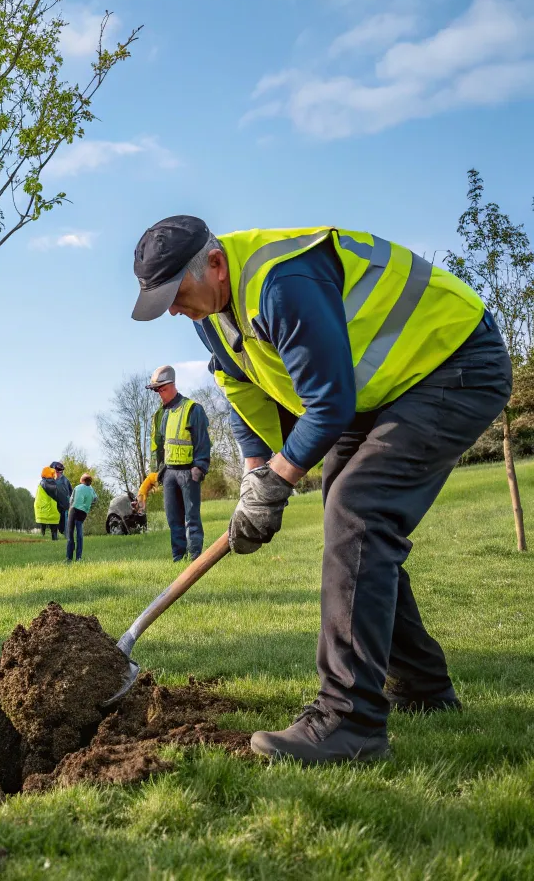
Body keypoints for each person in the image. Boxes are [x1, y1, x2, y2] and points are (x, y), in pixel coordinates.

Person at [131, 215, 510, 765]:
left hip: (453, 362)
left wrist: (277, 484)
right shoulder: (211, 311)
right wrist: (256, 474)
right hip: (375, 391)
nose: (172, 309)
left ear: (214, 264)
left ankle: (348, 721)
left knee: (359, 511)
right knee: (349, 515)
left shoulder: (282, 282)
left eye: (176, 293)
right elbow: (244, 389)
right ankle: (425, 685)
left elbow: (328, 405)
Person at [145, 365, 211, 561]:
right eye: (157, 391)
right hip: (169, 474)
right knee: (174, 520)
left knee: (192, 518)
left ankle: (195, 557)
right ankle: (178, 558)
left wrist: (200, 466)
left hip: (188, 472)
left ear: (172, 385)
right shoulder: (159, 415)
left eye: (162, 389)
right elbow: (157, 445)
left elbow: (203, 440)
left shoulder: (192, 409)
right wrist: (157, 471)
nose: (160, 394)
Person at [67, 473, 98, 562]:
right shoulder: (91, 489)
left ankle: (69, 558)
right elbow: (95, 499)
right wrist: (88, 505)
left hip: (74, 510)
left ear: (82, 480)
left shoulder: (77, 487)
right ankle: (78, 558)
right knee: (79, 534)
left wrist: (70, 508)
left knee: (70, 534)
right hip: (83, 513)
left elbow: (71, 500)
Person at [35, 467, 62, 540]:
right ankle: (54, 538)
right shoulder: (55, 484)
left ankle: (42, 536)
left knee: (43, 526)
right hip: (54, 510)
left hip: (43, 510)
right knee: (54, 528)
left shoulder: (41, 484)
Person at [50, 460, 72, 537]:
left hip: (64, 505)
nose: (60, 473)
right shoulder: (49, 480)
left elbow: (71, 491)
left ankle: (66, 535)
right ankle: (54, 537)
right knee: (54, 522)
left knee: (63, 524)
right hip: (53, 506)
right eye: (58, 470)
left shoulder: (65, 480)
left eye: (61, 471)